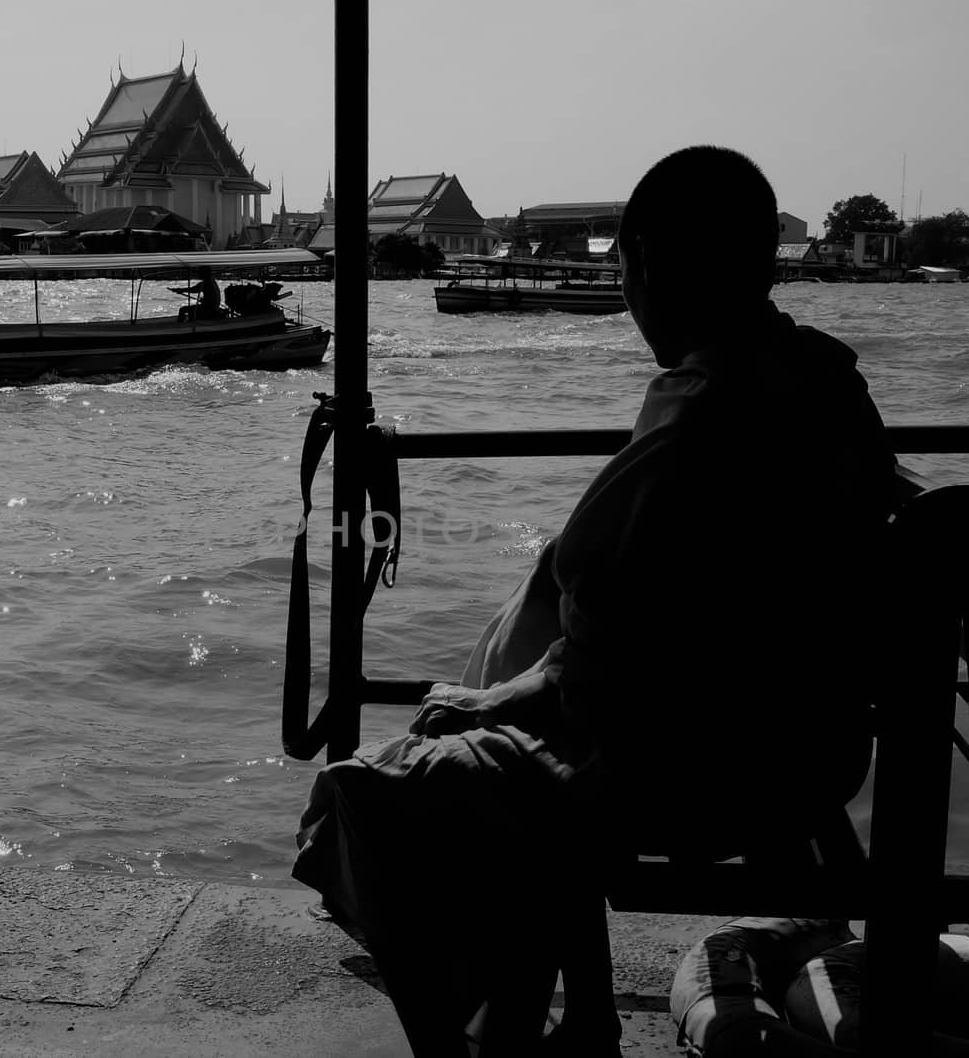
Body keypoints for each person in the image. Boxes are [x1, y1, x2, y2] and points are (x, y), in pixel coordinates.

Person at [292, 146, 899, 1056]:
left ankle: (486, 1037)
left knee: (361, 792)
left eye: (622, 267)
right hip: (818, 743)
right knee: (488, 731)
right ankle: (558, 1017)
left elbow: (605, 644)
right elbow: (643, 606)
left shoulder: (705, 411)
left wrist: (491, 698)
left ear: (647, 261)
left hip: (703, 769)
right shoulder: (822, 381)